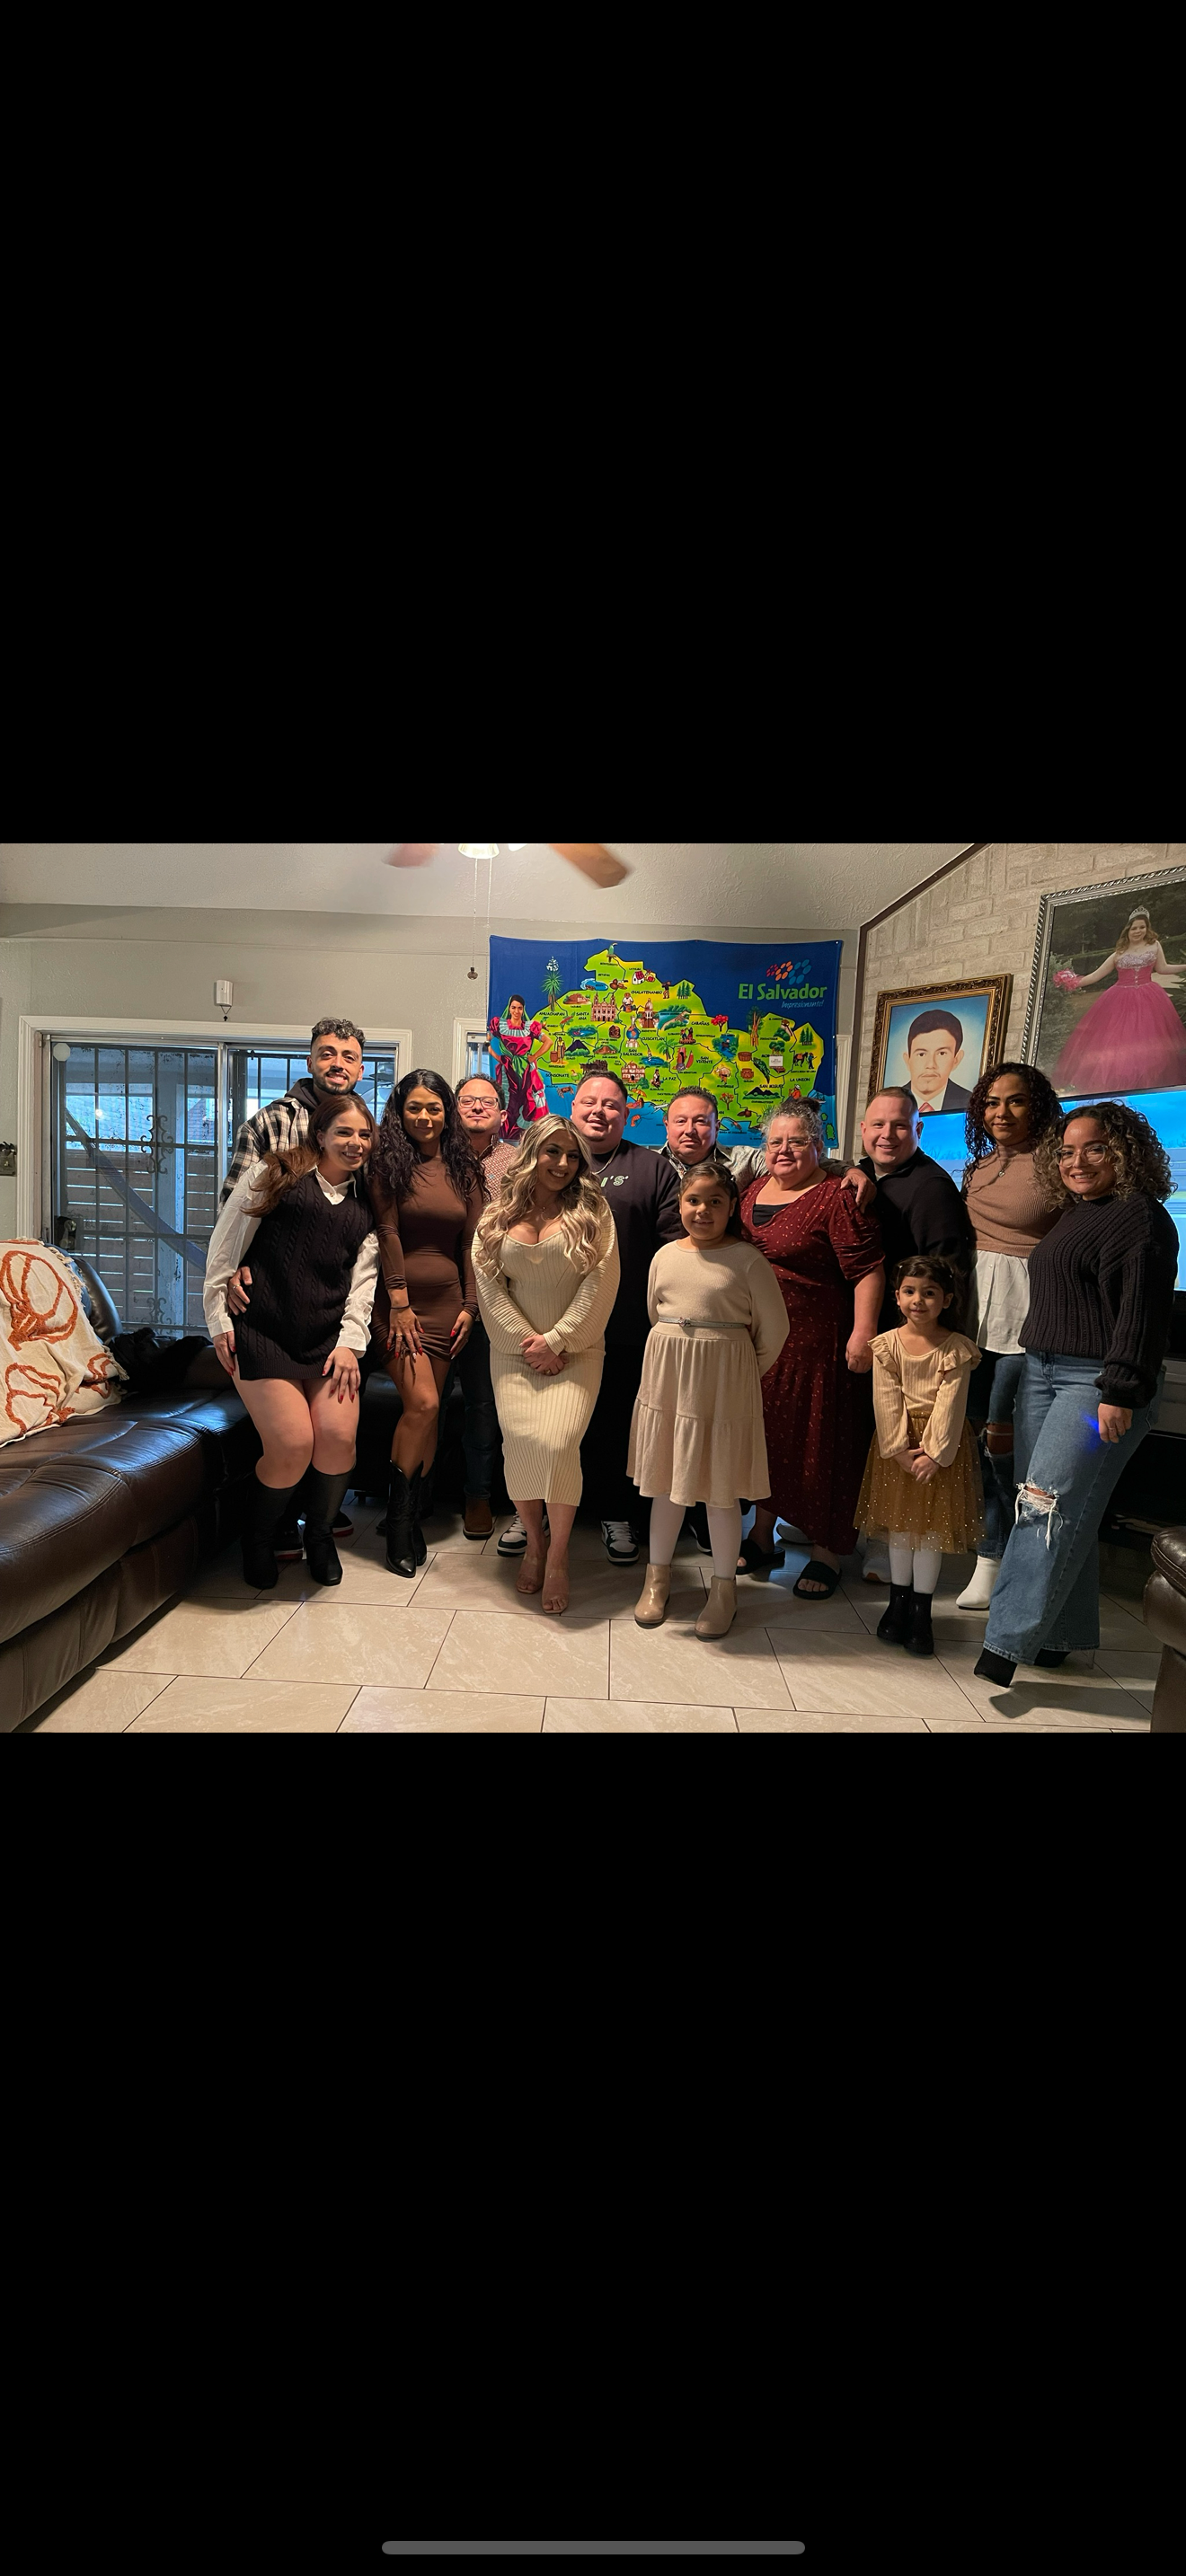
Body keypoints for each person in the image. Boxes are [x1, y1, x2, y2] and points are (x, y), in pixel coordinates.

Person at [975, 1102, 1179, 1689]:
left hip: (1096, 1385)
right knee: (1061, 1508)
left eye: (1094, 1148)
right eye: (1066, 1151)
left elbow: (1141, 1314)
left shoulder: (1140, 1218)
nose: (1077, 1161)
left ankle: (1003, 1645)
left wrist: (1119, 1390)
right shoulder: (1080, 1212)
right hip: (1042, 1372)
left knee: (1047, 1506)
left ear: (1125, 1152)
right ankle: (1059, 1636)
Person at [204, 1093, 380, 1589]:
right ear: (320, 1135)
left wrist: (350, 1344)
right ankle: (258, 1539)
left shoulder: (367, 1204)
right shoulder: (275, 1173)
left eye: (364, 1134)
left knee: (338, 1439)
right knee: (292, 1444)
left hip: (327, 1340)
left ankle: (319, 1537)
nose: (355, 1142)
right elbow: (225, 1249)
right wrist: (219, 1322)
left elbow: (363, 1285)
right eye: (343, 1132)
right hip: (262, 1331)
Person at [220, 1016, 367, 1548]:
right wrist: (231, 1271)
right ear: (310, 1059)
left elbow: (363, 1236)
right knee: (291, 1440)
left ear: (360, 1067)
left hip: (326, 1314)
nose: (338, 1064)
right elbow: (233, 1210)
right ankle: (273, 1527)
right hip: (269, 1311)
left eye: (349, 1056)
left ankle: (317, 1521)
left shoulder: (362, 1128)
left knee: (333, 1433)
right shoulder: (271, 1123)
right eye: (327, 1053)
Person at [629, 1162, 789, 1640]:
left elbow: (774, 1331)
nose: (703, 1210)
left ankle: (723, 1590)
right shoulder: (664, 1256)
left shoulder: (747, 1260)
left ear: (732, 1206)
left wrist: (737, 1370)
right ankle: (657, 1578)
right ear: (680, 1205)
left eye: (715, 1201)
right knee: (664, 1482)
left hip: (724, 1383)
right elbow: (655, 1313)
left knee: (721, 1488)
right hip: (669, 1379)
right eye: (693, 1200)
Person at [474, 1116, 620, 1616]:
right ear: (531, 1153)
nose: (562, 1163)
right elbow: (489, 1286)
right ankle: (534, 1545)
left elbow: (602, 1281)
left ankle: (558, 1555)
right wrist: (528, 1342)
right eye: (552, 1151)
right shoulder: (497, 1214)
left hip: (577, 1351)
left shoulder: (593, 1211)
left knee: (558, 1444)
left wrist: (556, 1340)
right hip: (512, 1352)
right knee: (520, 1444)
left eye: (573, 1156)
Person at [739, 1102, 885, 1596]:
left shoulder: (835, 1196)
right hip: (761, 1344)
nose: (784, 1150)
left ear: (818, 1147)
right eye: (775, 1141)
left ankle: (826, 1550)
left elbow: (868, 1269)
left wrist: (863, 1333)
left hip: (818, 1344)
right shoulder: (754, 1188)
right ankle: (762, 1535)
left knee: (820, 1444)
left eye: (797, 1141)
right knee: (767, 1441)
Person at [848, 1087, 977, 1583]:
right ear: (863, 1130)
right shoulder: (868, 1171)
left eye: (900, 1125)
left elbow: (947, 1271)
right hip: (876, 1334)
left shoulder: (931, 1188)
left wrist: (921, 1338)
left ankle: (888, 1544)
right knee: (875, 1432)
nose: (888, 1135)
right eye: (878, 1125)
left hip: (913, 1341)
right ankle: (864, 1530)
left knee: (905, 1438)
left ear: (918, 1131)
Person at [367, 1070, 485, 1580]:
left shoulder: (463, 1168)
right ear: (400, 1112)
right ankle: (397, 1525)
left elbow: (472, 1243)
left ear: (447, 1113)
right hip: (400, 1309)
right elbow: (387, 1231)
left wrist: (470, 1307)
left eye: (434, 1108)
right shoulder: (386, 1164)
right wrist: (398, 1301)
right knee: (425, 1405)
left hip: (448, 1308)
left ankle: (412, 1517)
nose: (424, 1116)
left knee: (429, 1417)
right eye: (414, 1107)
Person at [955, 1061, 1062, 1610]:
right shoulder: (979, 1166)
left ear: (1036, 1106)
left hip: (1025, 1326)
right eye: (992, 1102)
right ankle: (988, 1554)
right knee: (973, 1441)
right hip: (973, 1320)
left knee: (1004, 1449)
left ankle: (1002, 1559)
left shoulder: (1056, 1165)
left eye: (1016, 1101)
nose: (1002, 1112)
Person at [568, 1064, 683, 1563]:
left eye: (611, 1104)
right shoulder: (552, 1159)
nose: (599, 1111)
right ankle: (539, 1511)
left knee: (617, 1423)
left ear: (627, 1113)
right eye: (589, 1102)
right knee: (555, 1422)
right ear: (573, 1108)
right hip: (555, 1323)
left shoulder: (652, 1169)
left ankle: (616, 1512)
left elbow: (676, 1247)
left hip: (626, 1325)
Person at [854, 1256, 983, 1657]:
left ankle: (921, 1613)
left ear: (947, 1300)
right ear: (897, 1297)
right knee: (900, 1529)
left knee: (930, 1533)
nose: (918, 1300)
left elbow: (951, 1403)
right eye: (910, 1291)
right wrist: (898, 1450)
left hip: (938, 1450)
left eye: (929, 1293)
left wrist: (935, 1454)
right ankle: (897, 1604)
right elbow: (885, 1398)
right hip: (898, 1449)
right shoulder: (886, 1345)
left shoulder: (956, 1349)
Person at [451, 1074, 523, 1539]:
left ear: (502, 1113)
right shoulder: (433, 1158)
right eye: (468, 1100)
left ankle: (477, 1496)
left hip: (496, 1298)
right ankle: (413, 1500)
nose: (478, 1107)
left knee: (483, 1402)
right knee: (429, 1403)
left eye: (488, 1102)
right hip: (437, 1294)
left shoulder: (517, 1162)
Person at [1051, 907, 1186, 1092]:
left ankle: (1148, 1085)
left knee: (1150, 1042)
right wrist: (1071, 981)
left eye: (1142, 927)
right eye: (1134, 928)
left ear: (1147, 928)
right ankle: (1123, 1085)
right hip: (1120, 999)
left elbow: (1163, 968)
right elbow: (1095, 976)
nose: (1138, 931)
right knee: (1120, 1045)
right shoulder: (1119, 953)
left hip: (1150, 998)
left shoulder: (1155, 946)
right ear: (1128, 930)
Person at [488, 993, 548, 1138]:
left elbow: (548, 1042)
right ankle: (506, 1136)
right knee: (508, 1100)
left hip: (526, 1069)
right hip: (508, 1069)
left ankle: (527, 1136)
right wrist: (497, 1056)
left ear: (523, 1009)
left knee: (529, 1099)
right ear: (509, 1009)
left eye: (520, 1008)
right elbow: (487, 1039)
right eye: (514, 1007)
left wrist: (534, 1056)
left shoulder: (529, 1027)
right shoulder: (500, 1025)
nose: (516, 1011)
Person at [900, 1009, 973, 1116]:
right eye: (921, 1054)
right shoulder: (888, 1102)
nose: (930, 1065)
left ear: (956, 1059)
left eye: (941, 1053)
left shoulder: (972, 1104)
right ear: (908, 1060)